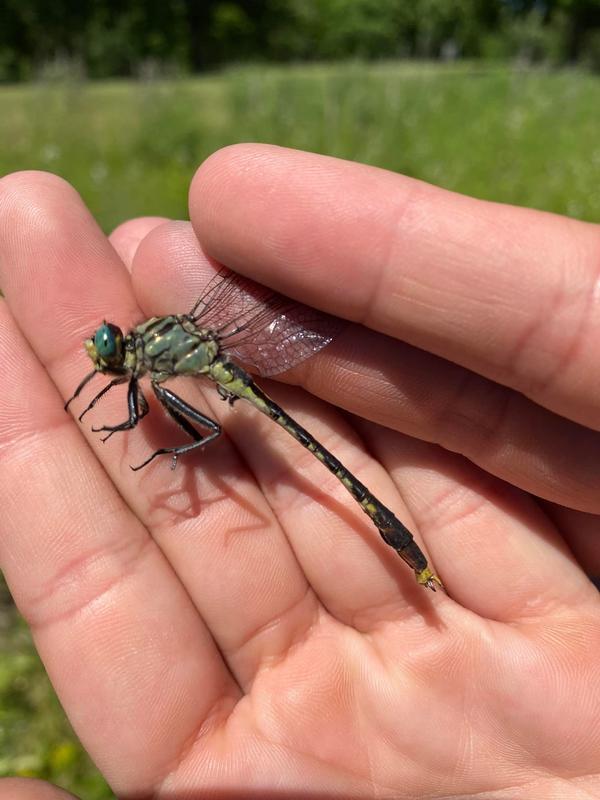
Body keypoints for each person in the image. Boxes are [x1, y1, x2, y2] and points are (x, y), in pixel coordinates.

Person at [0, 144, 599, 800]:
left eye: (107, 349)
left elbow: (135, 400)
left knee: (260, 454)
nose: (102, 354)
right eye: (106, 351)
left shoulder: (151, 359)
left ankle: (407, 554)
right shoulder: (143, 358)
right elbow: (119, 392)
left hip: (233, 379)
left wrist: (144, 430)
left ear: (130, 349)